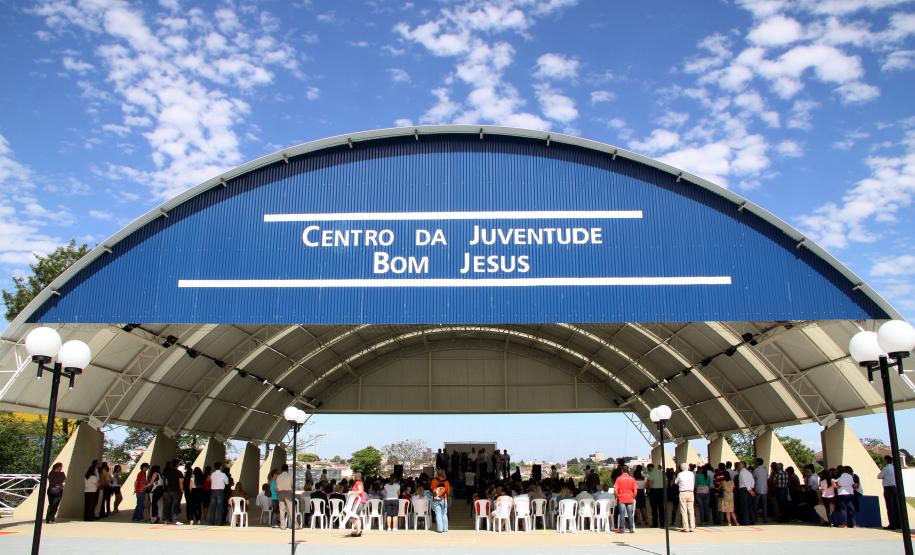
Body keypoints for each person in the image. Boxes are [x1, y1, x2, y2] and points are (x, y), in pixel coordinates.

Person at [878, 455, 900, 530]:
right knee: (896, 506)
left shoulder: (886, 468)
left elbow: (879, 476)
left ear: (886, 460)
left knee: (890, 507)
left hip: (888, 488)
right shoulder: (894, 468)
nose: (883, 461)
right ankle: (898, 523)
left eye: (884, 460)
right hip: (895, 488)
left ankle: (892, 524)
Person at [614, 465, 637, 533]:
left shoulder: (619, 479)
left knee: (622, 514)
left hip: (621, 498)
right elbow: (635, 490)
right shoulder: (632, 479)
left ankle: (622, 529)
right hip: (630, 498)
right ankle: (631, 529)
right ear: (628, 470)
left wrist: (617, 497)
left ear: (622, 471)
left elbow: (615, 490)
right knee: (630, 514)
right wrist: (633, 497)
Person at [675, 463, 696, 532]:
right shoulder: (691, 474)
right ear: (688, 467)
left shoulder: (680, 474)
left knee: (684, 511)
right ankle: (692, 527)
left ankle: (686, 527)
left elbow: (676, 482)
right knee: (691, 510)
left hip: (683, 492)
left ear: (681, 468)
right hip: (690, 492)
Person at [163, 459, 183, 524]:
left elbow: (166, 482)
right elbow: (180, 482)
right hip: (176, 491)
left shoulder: (168, 472)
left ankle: (167, 519)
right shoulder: (179, 472)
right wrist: (181, 489)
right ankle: (174, 520)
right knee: (175, 505)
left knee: (168, 505)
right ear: (177, 464)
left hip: (169, 490)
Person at [208, 462, 229, 526]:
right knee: (219, 507)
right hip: (220, 491)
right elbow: (227, 482)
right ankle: (218, 522)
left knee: (212, 507)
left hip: (213, 491)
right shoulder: (223, 474)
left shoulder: (212, 474)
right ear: (220, 467)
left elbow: (211, 480)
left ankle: (211, 522)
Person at [275, 463, 294, 530]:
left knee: (281, 510)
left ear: (281, 469)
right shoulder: (290, 476)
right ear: (287, 469)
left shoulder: (278, 476)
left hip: (280, 493)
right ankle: (294, 525)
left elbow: (276, 487)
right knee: (291, 509)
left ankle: (283, 525)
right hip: (288, 492)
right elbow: (292, 485)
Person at [347, 472, 366, 536]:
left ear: (356, 476)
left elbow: (360, 491)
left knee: (352, 515)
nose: (352, 477)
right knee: (356, 516)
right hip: (360, 501)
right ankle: (358, 530)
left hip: (358, 501)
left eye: (353, 476)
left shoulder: (358, 483)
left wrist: (352, 492)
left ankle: (358, 530)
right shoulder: (359, 483)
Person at [646, 463, 664, 528]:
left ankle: (655, 523)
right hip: (661, 491)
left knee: (654, 508)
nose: (647, 469)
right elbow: (666, 482)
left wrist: (648, 490)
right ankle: (662, 523)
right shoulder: (661, 472)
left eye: (648, 468)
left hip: (653, 491)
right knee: (661, 507)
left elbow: (650, 483)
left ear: (650, 467)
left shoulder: (651, 473)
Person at [753, 458, 768, 523]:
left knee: (756, 505)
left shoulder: (756, 470)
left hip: (758, 489)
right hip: (765, 489)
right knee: (764, 505)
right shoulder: (765, 470)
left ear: (758, 462)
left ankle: (755, 518)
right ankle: (765, 519)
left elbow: (753, 478)